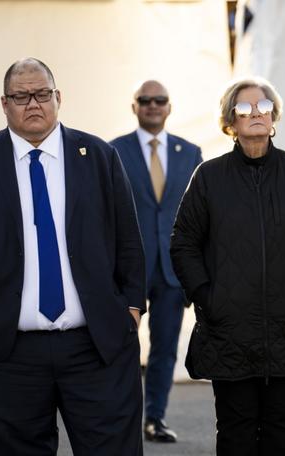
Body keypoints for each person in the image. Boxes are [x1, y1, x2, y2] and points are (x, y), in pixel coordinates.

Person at [0, 58, 146, 456]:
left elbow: (129, 242)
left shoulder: (99, 157)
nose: (33, 104)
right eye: (21, 96)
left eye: (42, 94)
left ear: (58, 97)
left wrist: (131, 308)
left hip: (95, 347)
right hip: (6, 353)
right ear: (4, 103)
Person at [170, 76, 285, 456]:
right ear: (229, 121)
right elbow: (184, 242)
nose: (256, 114)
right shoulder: (209, 178)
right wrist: (206, 297)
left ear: (274, 117)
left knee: (282, 433)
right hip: (229, 330)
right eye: (245, 107)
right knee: (235, 433)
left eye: (264, 107)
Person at [109, 80, 202, 443]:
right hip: (128, 267)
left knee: (164, 347)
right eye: (144, 100)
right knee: (123, 347)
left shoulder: (189, 153)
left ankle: (155, 420)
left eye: (159, 100)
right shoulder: (113, 150)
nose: (152, 105)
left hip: (172, 272)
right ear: (134, 107)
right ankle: (123, 418)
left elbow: (200, 215)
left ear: (169, 106)